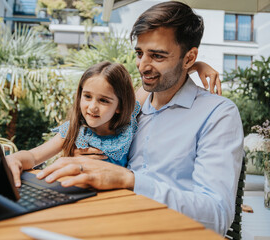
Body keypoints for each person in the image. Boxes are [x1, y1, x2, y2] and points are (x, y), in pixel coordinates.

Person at [35, 1, 244, 236]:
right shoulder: (132, 108)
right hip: (108, 221)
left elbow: (216, 217)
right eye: (139, 53)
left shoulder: (218, 114)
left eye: (157, 55)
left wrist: (130, 180)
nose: (142, 66)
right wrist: (83, 155)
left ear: (188, 58)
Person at [6, 60, 220, 187]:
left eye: (104, 100)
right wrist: (15, 158)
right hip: (80, 198)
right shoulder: (75, 131)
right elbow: (34, 156)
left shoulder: (129, 121)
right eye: (87, 96)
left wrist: (196, 66)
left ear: (119, 105)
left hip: (121, 199)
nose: (92, 107)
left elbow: (163, 77)